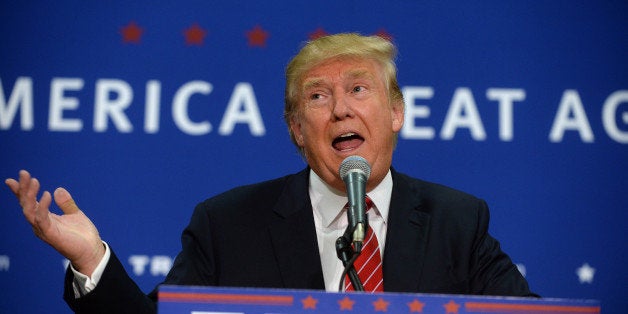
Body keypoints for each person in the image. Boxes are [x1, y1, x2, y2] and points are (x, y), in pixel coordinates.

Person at [6, 33, 536, 313]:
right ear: (297, 130)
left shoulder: (456, 221)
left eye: (358, 88)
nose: (341, 110)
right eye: (318, 96)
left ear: (395, 112)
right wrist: (91, 260)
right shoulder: (228, 223)